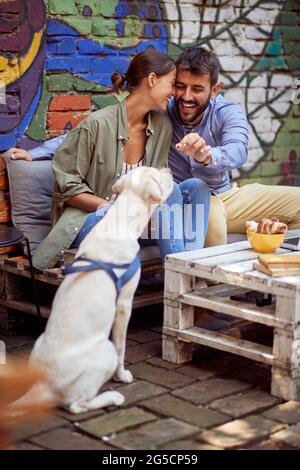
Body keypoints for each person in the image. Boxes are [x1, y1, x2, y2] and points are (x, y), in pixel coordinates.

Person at [12, 48, 210, 271]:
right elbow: (68, 190)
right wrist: (115, 208)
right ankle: (184, 279)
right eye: (172, 83)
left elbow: (159, 185)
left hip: (139, 221)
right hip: (91, 221)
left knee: (196, 188)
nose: (174, 93)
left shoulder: (161, 126)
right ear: (152, 80)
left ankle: (187, 273)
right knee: (169, 191)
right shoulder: (97, 125)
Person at [167, 46, 300, 245]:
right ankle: (212, 277)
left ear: (214, 90)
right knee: (211, 216)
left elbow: (238, 150)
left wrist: (207, 155)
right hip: (185, 201)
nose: (186, 96)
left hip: (225, 196)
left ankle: (271, 257)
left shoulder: (227, 111)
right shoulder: (163, 107)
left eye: (197, 89)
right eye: (180, 86)